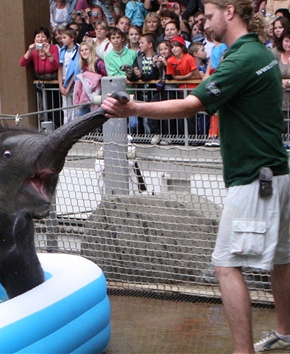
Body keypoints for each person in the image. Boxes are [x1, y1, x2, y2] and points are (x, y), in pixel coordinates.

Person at [101, 0, 290, 351]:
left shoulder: (241, 59)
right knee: (282, 258)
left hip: (253, 178)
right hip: (279, 173)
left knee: (225, 265)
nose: (203, 22)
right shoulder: (263, 55)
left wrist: (133, 108)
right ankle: (286, 331)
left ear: (230, 11)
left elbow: (192, 104)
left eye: (209, 14)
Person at [73, 41, 107, 117]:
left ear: (91, 50)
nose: (84, 52)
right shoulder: (83, 65)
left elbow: (106, 77)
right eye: (82, 50)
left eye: (86, 49)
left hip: (99, 95)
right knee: (80, 115)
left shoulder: (99, 63)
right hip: (86, 96)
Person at [58, 27, 80, 125]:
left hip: (74, 83)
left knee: (75, 108)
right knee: (66, 109)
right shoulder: (62, 51)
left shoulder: (78, 50)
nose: (62, 39)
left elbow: (76, 69)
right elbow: (59, 68)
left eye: (64, 37)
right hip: (64, 82)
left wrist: (69, 85)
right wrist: (60, 85)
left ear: (72, 38)